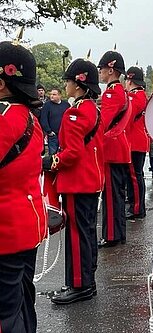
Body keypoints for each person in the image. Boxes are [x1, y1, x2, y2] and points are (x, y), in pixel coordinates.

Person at [43, 58, 104, 305]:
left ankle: (80, 285)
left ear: (78, 85)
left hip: (78, 182)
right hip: (89, 180)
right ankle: (87, 282)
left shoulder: (75, 113)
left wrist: (51, 161)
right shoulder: (92, 109)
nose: (65, 85)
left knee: (78, 235)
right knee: (87, 232)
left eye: (68, 81)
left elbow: (73, 153)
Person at [0, 40, 47, 333]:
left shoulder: (5, 118)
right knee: (21, 302)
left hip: (5, 229)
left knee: (5, 315)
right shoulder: (28, 116)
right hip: (26, 223)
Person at [97, 50, 131, 247]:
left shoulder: (111, 92)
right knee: (116, 194)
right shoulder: (121, 91)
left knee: (110, 195)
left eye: (102, 69)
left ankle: (111, 235)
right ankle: (118, 232)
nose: (100, 73)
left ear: (110, 70)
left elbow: (104, 122)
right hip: (119, 146)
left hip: (111, 148)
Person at [124, 66, 149, 221]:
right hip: (136, 140)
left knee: (134, 176)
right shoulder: (136, 95)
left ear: (130, 80)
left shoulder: (136, 97)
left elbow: (127, 118)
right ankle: (136, 205)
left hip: (135, 141)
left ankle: (137, 208)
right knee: (134, 176)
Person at [40, 88, 70, 154]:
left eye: (54, 94)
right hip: (53, 135)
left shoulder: (66, 105)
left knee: (64, 153)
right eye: (51, 94)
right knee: (53, 155)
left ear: (59, 95)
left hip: (64, 134)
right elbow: (43, 119)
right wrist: (49, 131)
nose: (51, 96)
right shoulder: (47, 105)